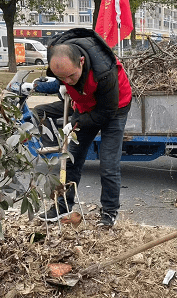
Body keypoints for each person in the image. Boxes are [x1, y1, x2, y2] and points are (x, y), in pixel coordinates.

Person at [33, 28, 132, 228]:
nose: (68, 81)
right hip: (85, 105)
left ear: (82, 61)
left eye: (71, 76)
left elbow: (106, 112)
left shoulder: (104, 71)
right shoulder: (60, 58)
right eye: (63, 79)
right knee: (71, 158)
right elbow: (62, 80)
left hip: (115, 107)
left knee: (109, 164)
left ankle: (110, 212)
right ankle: (62, 206)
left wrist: (75, 123)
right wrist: (56, 85)